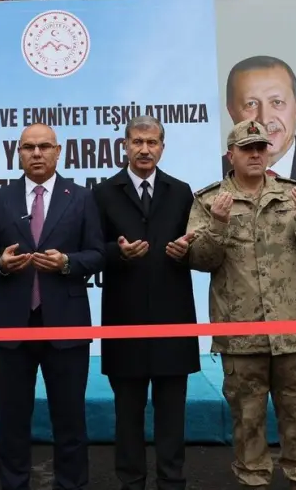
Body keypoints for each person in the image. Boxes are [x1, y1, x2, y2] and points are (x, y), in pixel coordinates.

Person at [188, 120, 296, 487]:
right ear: (231, 155)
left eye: (260, 147)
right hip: (241, 334)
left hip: (292, 332)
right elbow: (200, 260)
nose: (255, 154)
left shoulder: (293, 194)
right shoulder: (209, 201)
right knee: (248, 423)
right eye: (247, 148)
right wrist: (218, 224)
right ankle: (253, 480)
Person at [0, 123, 104, 490]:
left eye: (44, 147)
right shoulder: (0, 199)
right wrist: (0, 263)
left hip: (66, 323)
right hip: (12, 324)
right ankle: (14, 484)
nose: (36, 153)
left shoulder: (81, 197)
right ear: (18, 153)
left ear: (58, 152)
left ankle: (72, 484)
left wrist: (67, 262)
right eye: (28, 147)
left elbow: (97, 253)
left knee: (70, 419)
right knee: (13, 419)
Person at [92, 116, 199, 490]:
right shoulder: (103, 193)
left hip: (173, 319)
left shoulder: (181, 192)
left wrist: (186, 251)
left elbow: (199, 246)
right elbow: (91, 250)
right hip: (125, 319)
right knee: (128, 415)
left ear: (162, 147)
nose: (144, 149)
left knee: (172, 415)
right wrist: (117, 253)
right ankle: (131, 482)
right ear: (124, 146)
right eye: (137, 142)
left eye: (152, 142)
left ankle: (172, 481)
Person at [223, 56, 296, 185]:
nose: (265, 119)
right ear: (231, 112)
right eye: (251, 104)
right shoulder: (214, 172)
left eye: (277, 102)